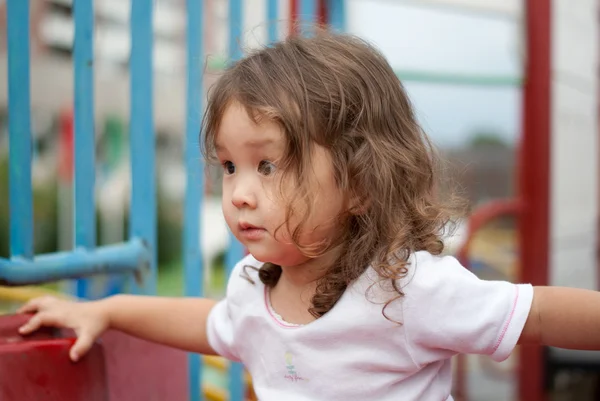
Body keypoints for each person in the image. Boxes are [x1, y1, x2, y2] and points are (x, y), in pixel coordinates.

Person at [17, 31, 600, 401]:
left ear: (361, 181)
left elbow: (539, 314)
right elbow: (214, 325)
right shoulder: (251, 287)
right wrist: (109, 310)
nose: (240, 193)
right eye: (228, 166)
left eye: (267, 166)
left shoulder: (404, 288)